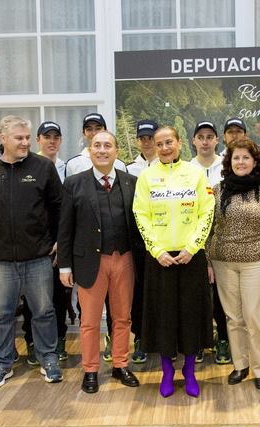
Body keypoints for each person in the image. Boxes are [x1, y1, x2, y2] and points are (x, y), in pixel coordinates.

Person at [0, 115, 63, 388]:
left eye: (27, 138)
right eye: (19, 138)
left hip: (38, 257)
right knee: (1, 315)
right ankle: (2, 363)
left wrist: (59, 240)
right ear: (3, 138)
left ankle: (48, 357)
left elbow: (59, 207)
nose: (25, 143)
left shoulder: (44, 167)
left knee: (44, 311)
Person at [58, 131, 144, 393]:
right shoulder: (74, 184)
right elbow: (65, 228)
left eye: (108, 146)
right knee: (90, 321)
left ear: (117, 151)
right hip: (90, 262)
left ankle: (120, 365)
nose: (102, 150)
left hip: (124, 260)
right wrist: (64, 265)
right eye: (97, 146)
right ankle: (91, 370)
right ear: (90, 150)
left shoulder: (132, 182)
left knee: (122, 318)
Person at [133, 126, 215, 398]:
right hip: (160, 260)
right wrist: (156, 250)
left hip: (191, 256)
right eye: (159, 144)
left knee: (191, 316)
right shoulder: (146, 177)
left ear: (179, 143)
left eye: (169, 142)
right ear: (154, 148)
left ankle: (189, 371)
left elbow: (207, 212)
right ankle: (167, 372)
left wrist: (193, 247)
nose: (165, 147)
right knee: (164, 317)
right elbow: (140, 214)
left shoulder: (195, 174)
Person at [207, 138, 260, 390]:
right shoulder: (217, 190)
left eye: (245, 158)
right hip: (222, 262)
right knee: (233, 318)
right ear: (229, 161)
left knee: (255, 318)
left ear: (255, 162)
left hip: (256, 263)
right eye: (236, 158)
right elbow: (208, 229)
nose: (240, 162)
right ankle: (240, 365)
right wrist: (207, 262)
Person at [23, 121, 71, 362]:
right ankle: (32, 342)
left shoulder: (68, 167)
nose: (51, 141)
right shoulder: (28, 166)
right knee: (34, 299)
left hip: (59, 243)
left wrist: (62, 241)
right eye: (46, 136)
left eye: (56, 136)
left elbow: (67, 209)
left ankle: (59, 340)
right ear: (38, 140)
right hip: (35, 245)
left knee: (59, 296)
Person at [192, 120, 230, 364]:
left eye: (210, 136)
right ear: (194, 141)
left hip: (221, 238)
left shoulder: (227, 167)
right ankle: (196, 341)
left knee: (221, 296)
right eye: (200, 136)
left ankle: (223, 341)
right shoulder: (186, 168)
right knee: (195, 294)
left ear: (217, 140)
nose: (205, 141)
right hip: (193, 239)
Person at [125, 119, 159, 364]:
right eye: (143, 138)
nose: (147, 142)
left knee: (163, 291)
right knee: (139, 292)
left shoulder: (170, 166)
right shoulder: (128, 169)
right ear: (138, 140)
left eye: (151, 138)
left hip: (165, 237)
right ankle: (140, 338)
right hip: (137, 240)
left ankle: (164, 337)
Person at [64, 112, 126, 178]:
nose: (94, 133)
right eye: (89, 129)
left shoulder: (119, 165)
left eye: (98, 128)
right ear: (84, 134)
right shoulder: (73, 164)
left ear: (106, 131)